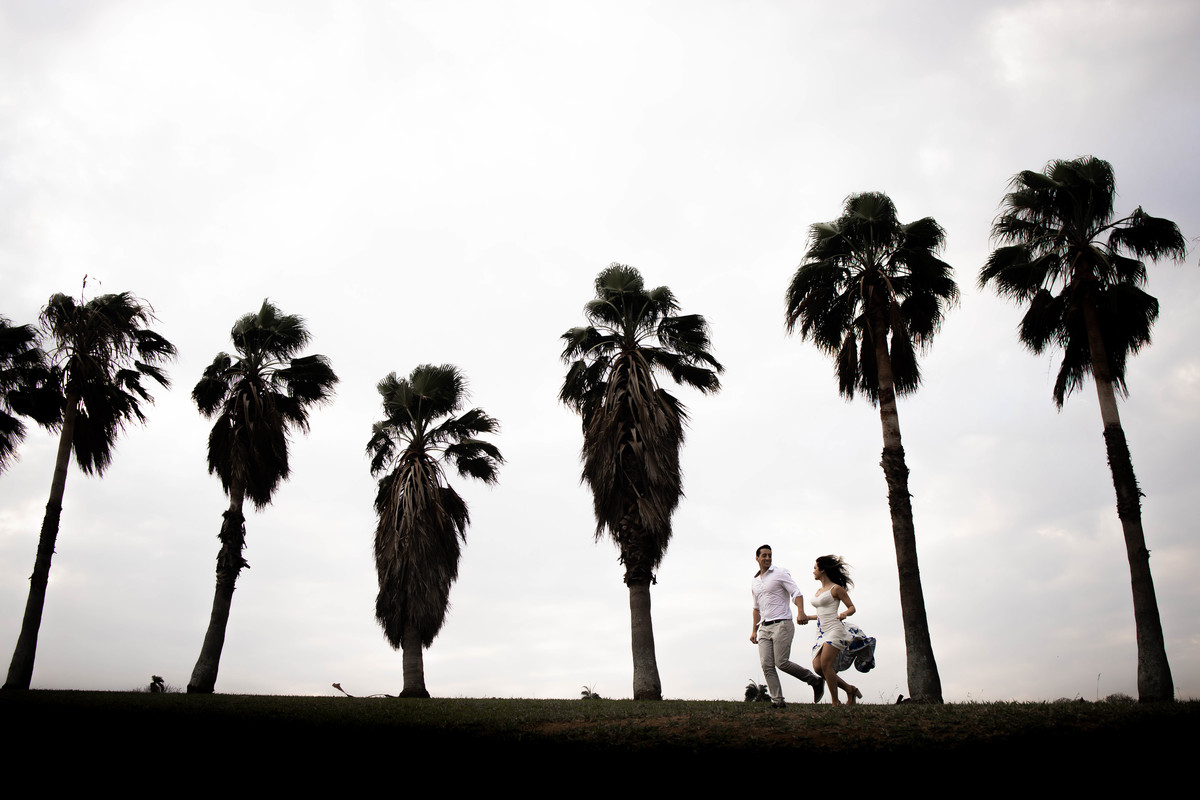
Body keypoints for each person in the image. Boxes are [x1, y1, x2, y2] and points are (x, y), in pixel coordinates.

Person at [750, 544, 825, 707]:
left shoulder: (780, 573)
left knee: (781, 662)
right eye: (764, 555)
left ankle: (814, 681)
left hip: (782, 624)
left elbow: (796, 593)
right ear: (757, 558)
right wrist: (754, 630)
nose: (768, 558)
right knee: (766, 664)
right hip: (764, 627)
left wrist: (801, 611)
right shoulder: (755, 582)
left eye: (770, 555)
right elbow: (756, 608)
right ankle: (778, 701)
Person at [805, 554, 864, 706]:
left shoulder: (836, 589)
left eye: (815, 568)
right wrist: (807, 617)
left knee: (825, 664)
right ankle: (849, 689)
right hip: (821, 632)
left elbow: (852, 607)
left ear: (823, 570)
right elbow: (820, 614)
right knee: (818, 667)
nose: (813, 571)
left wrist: (845, 613)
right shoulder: (819, 591)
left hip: (835, 630)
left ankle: (835, 702)